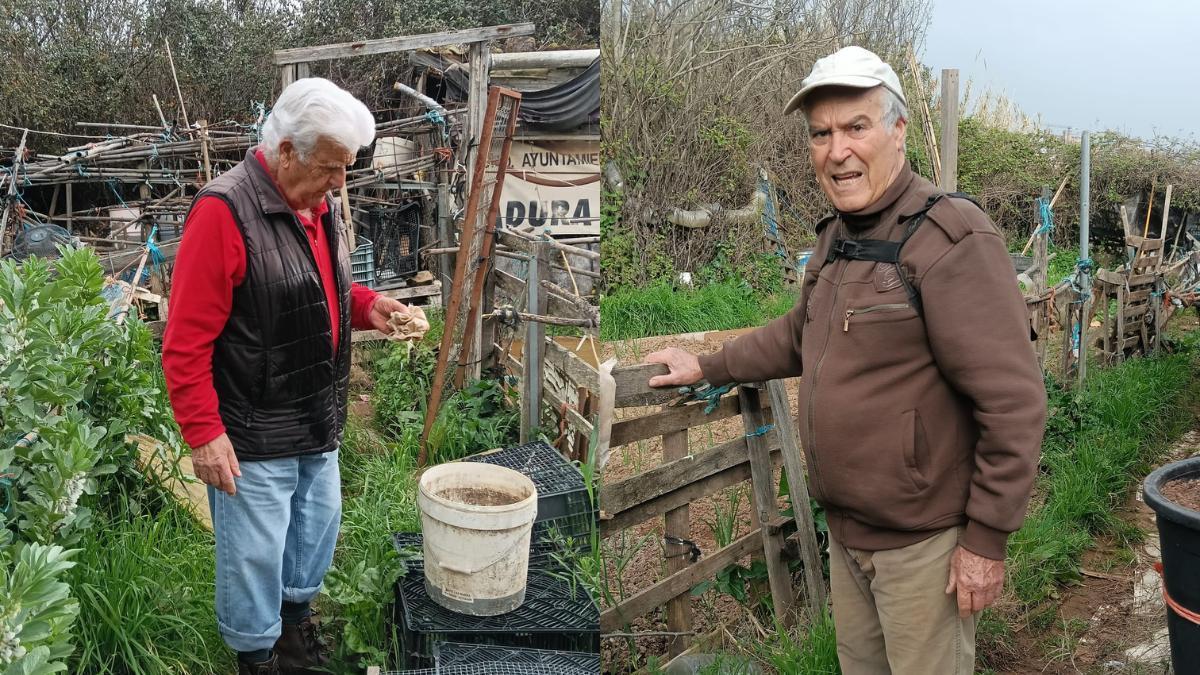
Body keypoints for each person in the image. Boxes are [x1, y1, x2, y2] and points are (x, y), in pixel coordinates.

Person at [644, 46, 1047, 674]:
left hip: (923, 546)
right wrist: (708, 365)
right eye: (821, 134)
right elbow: (799, 335)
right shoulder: (838, 238)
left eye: (856, 127)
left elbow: (1013, 401)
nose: (838, 151)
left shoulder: (950, 238)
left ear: (898, 130)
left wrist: (986, 540)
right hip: (849, 534)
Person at [163, 78, 413, 675]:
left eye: (346, 167)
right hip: (253, 430)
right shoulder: (223, 213)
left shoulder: (316, 208)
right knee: (253, 560)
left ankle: (296, 640)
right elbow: (184, 343)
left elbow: (315, 287)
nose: (340, 182)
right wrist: (204, 433)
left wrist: (370, 307)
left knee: (311, 541)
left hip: (316, 418)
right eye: (330, 167)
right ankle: (258, 658)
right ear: (285, 152)